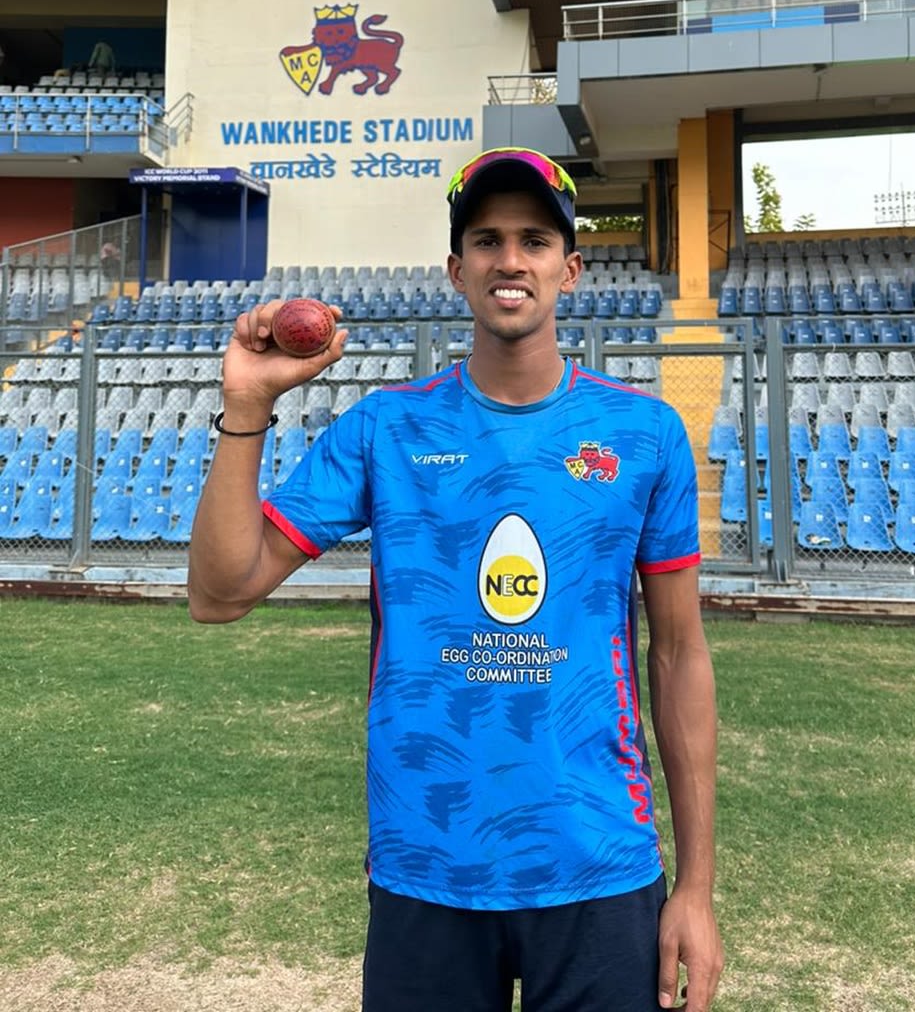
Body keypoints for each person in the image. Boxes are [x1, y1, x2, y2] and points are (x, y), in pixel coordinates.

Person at [188, 146, 723, 1011]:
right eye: (486, 240)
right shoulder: (386, 430)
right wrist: (247, 408)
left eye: (535, 241)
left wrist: (694, 890)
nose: (510, 260)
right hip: (426, 864)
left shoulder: (644, 433)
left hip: (598, 864)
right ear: (456, 269)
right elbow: (219, 593)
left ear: (570, 269)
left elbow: (680, 658)